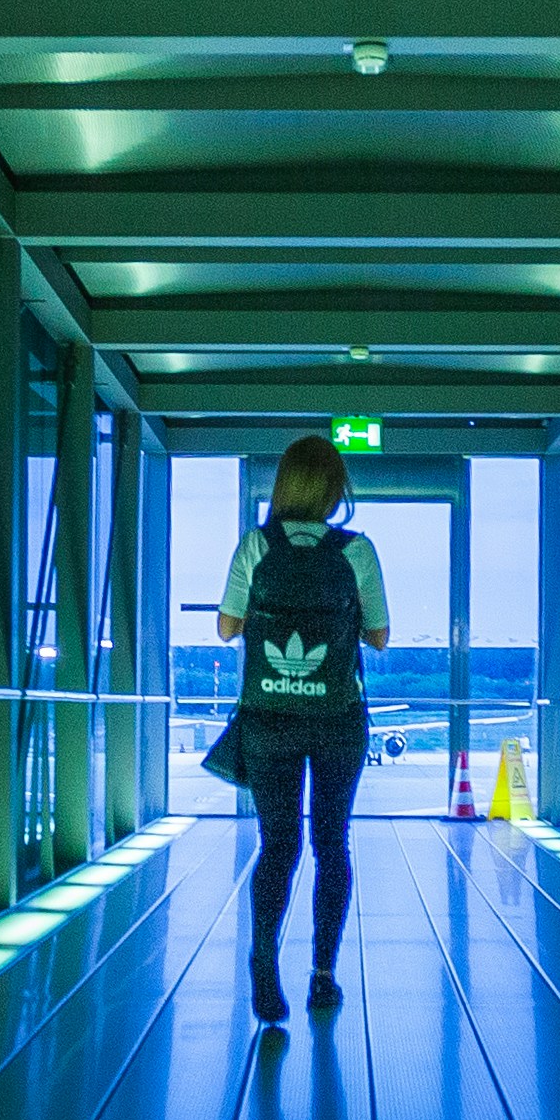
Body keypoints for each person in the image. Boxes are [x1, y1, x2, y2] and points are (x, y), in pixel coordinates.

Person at [212, 433, 385, 1026]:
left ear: (285, 485)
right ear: (336, 489)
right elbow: (381, 635)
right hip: (338, 719)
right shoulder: (357, 551)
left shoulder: (255, 546)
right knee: (331, 844)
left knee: (277, 845)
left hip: (269, 718)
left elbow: (227, 630)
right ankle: (323, 975)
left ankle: (264, 963)